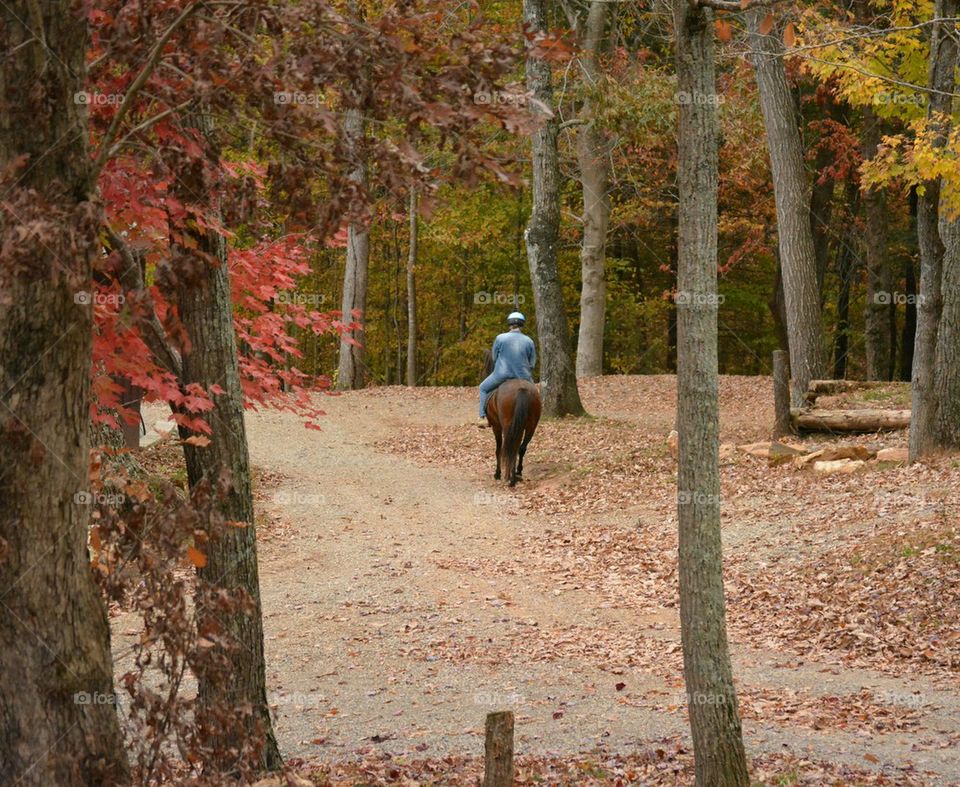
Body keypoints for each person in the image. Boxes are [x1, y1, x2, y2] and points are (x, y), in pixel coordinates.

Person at [477, 311, 536, 428]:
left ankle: (482, 417)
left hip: (501, 374)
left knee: (483, 388)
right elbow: (532, 363)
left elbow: (494, 357)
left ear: (509, 324)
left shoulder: (500, 338)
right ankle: (534, 417)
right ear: (522, 324)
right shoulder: (529, 341)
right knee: (535, 394)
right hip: (523, 376)